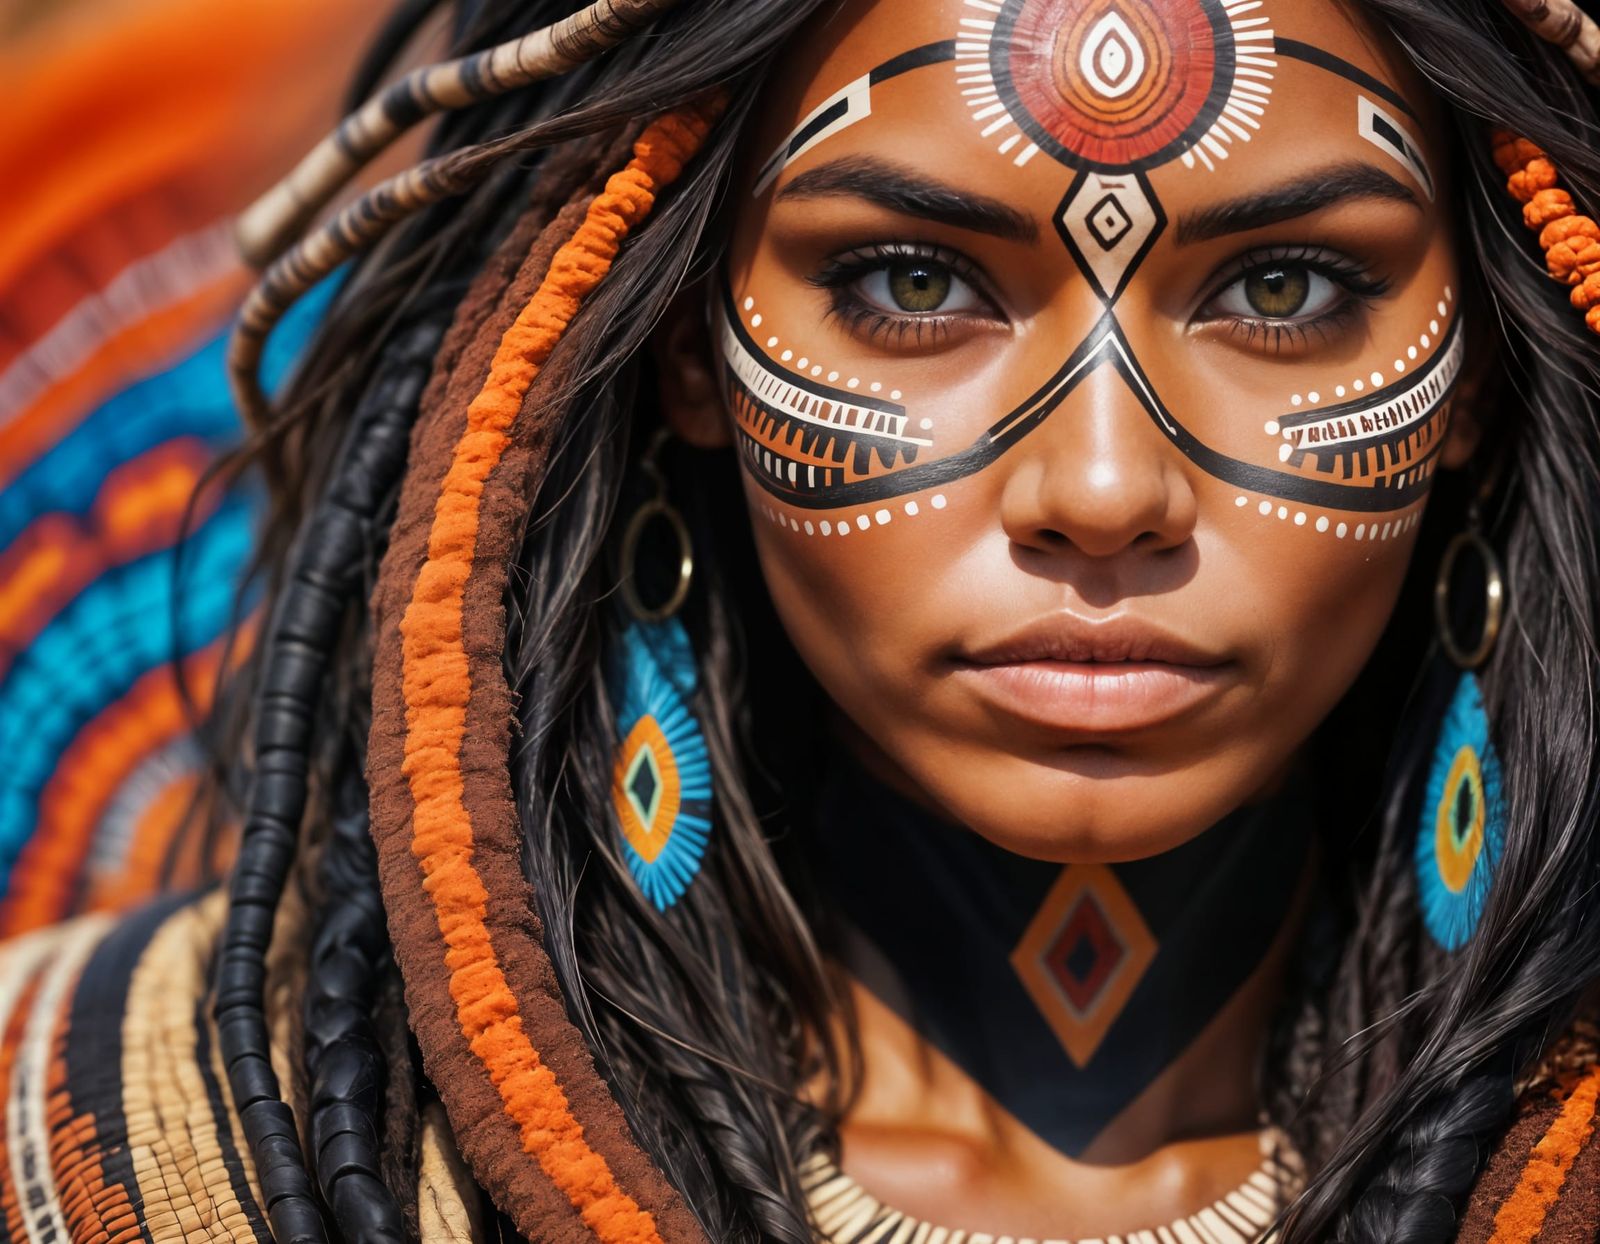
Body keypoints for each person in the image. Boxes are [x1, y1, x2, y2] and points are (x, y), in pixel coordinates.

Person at [5, 0, 1600, 1240]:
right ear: (686, 346)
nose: (1107, 488)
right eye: (911, 282)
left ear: (1480, 374)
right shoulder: (130, 1128)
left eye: (1286, 289)